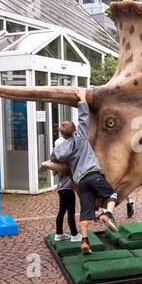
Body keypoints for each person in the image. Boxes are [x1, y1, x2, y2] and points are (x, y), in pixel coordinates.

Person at [50, 95, 118, 255]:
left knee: (85, 213)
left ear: (62, 135)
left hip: (80, 182)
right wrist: (81, 99)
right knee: (112, 194)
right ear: (74, 130)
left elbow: (54, 156)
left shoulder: (62, 148)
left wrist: (50, 160)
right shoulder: (80, 136)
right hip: (93, 174)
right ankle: (108, 214)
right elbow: (83, 117)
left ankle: (85, 242)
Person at [53, 137, 81, 243]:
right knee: (70, 212)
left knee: (62, 211)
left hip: (61, 188)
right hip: (68, 189)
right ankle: (74, 235)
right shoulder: (67, 160)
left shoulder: (58, 159)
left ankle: (59, 233)